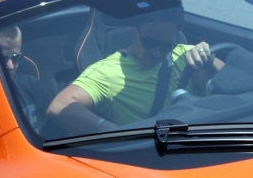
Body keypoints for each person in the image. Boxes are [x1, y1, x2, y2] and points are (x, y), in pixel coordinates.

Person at [45, 11, 223, 132]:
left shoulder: (186, 55)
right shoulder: (108, 71)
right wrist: (109, 130)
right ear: (134, 30)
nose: (157, 52)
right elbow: (59, 106)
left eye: (165, 46)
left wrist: (209, 60)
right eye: (149, 42)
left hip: (201, 139)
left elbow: (236, 86)